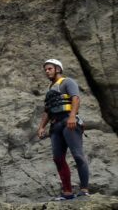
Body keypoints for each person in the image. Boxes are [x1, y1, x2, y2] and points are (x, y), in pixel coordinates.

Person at [36, 59, 89, 200]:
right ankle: (67, 192)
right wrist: (41, 126)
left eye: (49, 69)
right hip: (55, 126)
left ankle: (84, 189)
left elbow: (75, 99)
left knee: (77, 155)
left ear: (58, 69)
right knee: (58, 158)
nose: (47, 71)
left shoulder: (68, 82)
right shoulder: (51, 89)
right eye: (46, 69)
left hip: (69, 122)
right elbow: (47, 110)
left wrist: (72, 116)